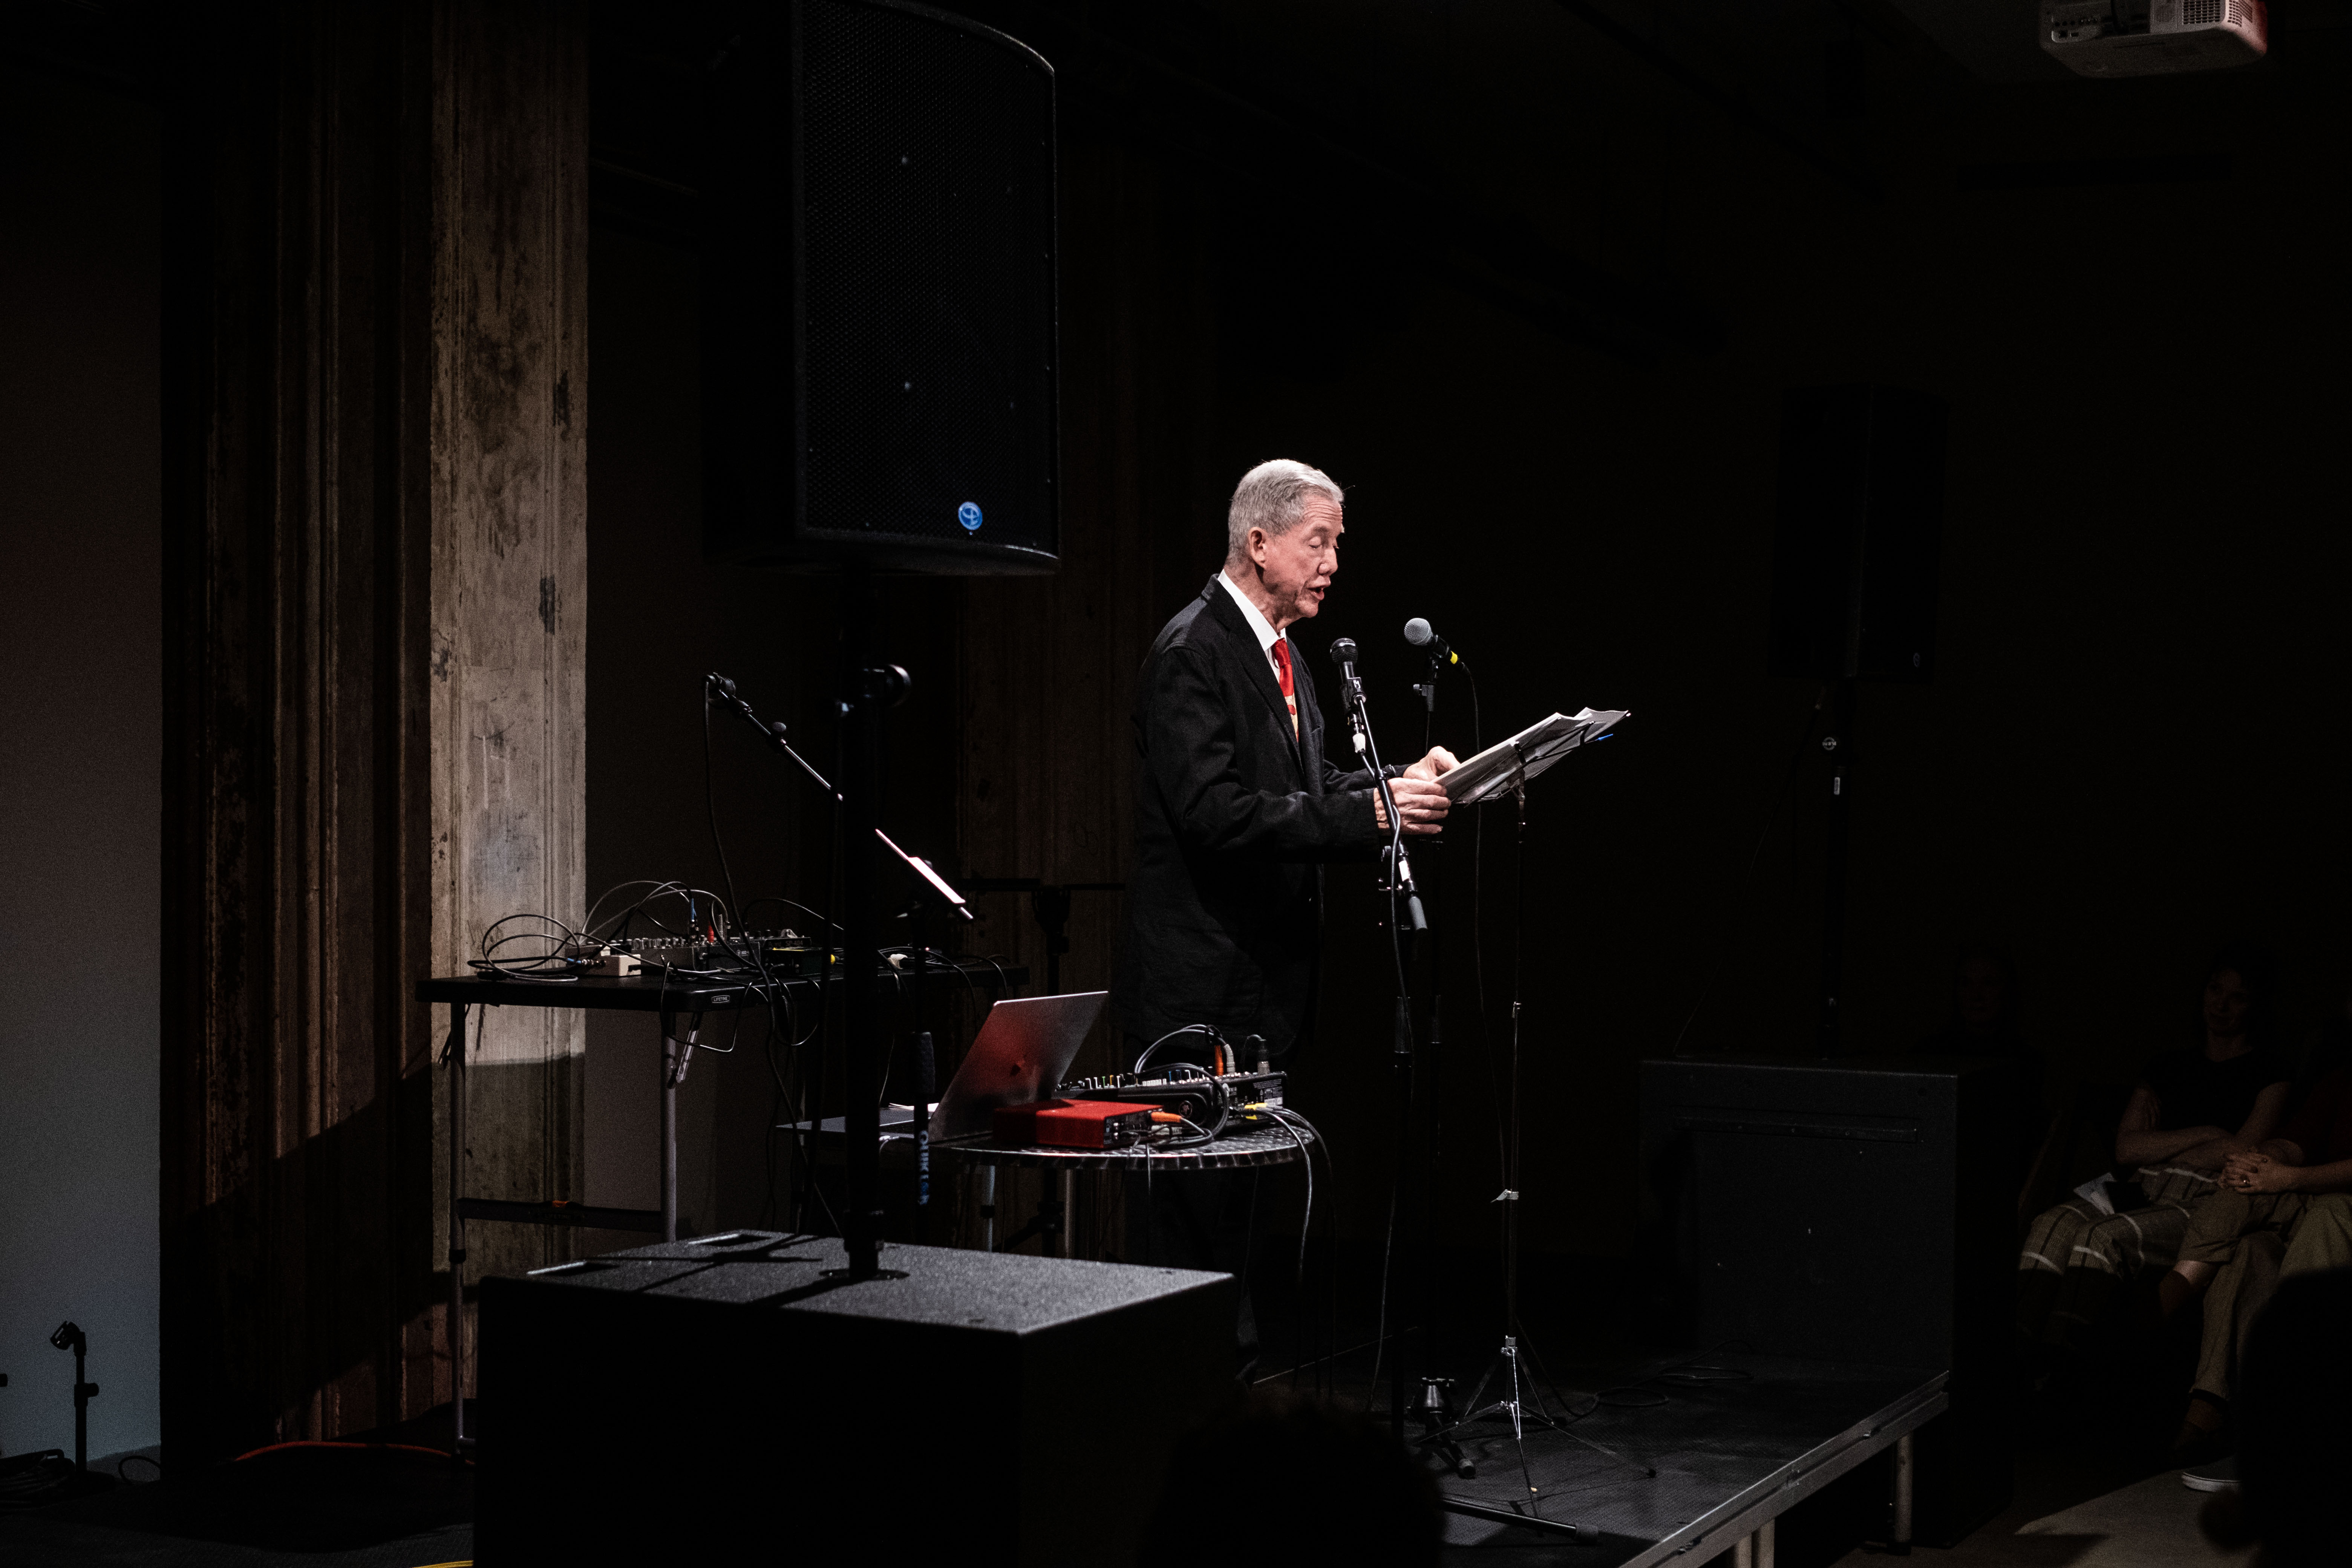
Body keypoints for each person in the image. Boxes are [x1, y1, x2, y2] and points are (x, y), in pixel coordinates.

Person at [1110, 459, 1455, 1354]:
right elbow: (1215, 814)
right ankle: (1166, 1422)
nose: (1334, 559)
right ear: (1258, 542)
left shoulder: (1282, 650)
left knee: (1241, 1226)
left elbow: (1306, 786)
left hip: (1259, 991)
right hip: (1196, 996)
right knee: (1187, 1230)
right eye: (1320, 540)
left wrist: (1392, 784)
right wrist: (1366, 812)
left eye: (1337, 542)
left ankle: (1226, 1408)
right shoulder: (1193, 650)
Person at [2016, 952, 2291, 1365]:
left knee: (2101, 1236)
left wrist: (2165, 1141)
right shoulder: (2168, 1064)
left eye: (2238, 997)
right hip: (2140, 1181)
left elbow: (2243, 1151)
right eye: (2215, 989)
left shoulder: (2270, 1071)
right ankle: (2014, 1351)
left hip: (2203, 1192)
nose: (2221, 1004)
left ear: (2255, 1006)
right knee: (2051, 1221)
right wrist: (2209, 1133)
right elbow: (2127, 1149)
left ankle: (2058, 1365)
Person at [2153, 1052, 2352, 1457]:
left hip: (2336, 1205)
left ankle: (2273, 1413)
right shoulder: (2342, 1077)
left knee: (2327, 1215)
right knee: (2247, 1244)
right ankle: (2208, 1401)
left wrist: (2295, 1177)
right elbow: (2300, 1137)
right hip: (2314, 1194)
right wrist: (2263, 1160)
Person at [1919, 944, 2043, 1178]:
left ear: (2006, 991)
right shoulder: (1929, 1054)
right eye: (1966, 983)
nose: (1976, 995)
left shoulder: (2024, 1061)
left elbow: (2030, 1140)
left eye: (1988, 983)